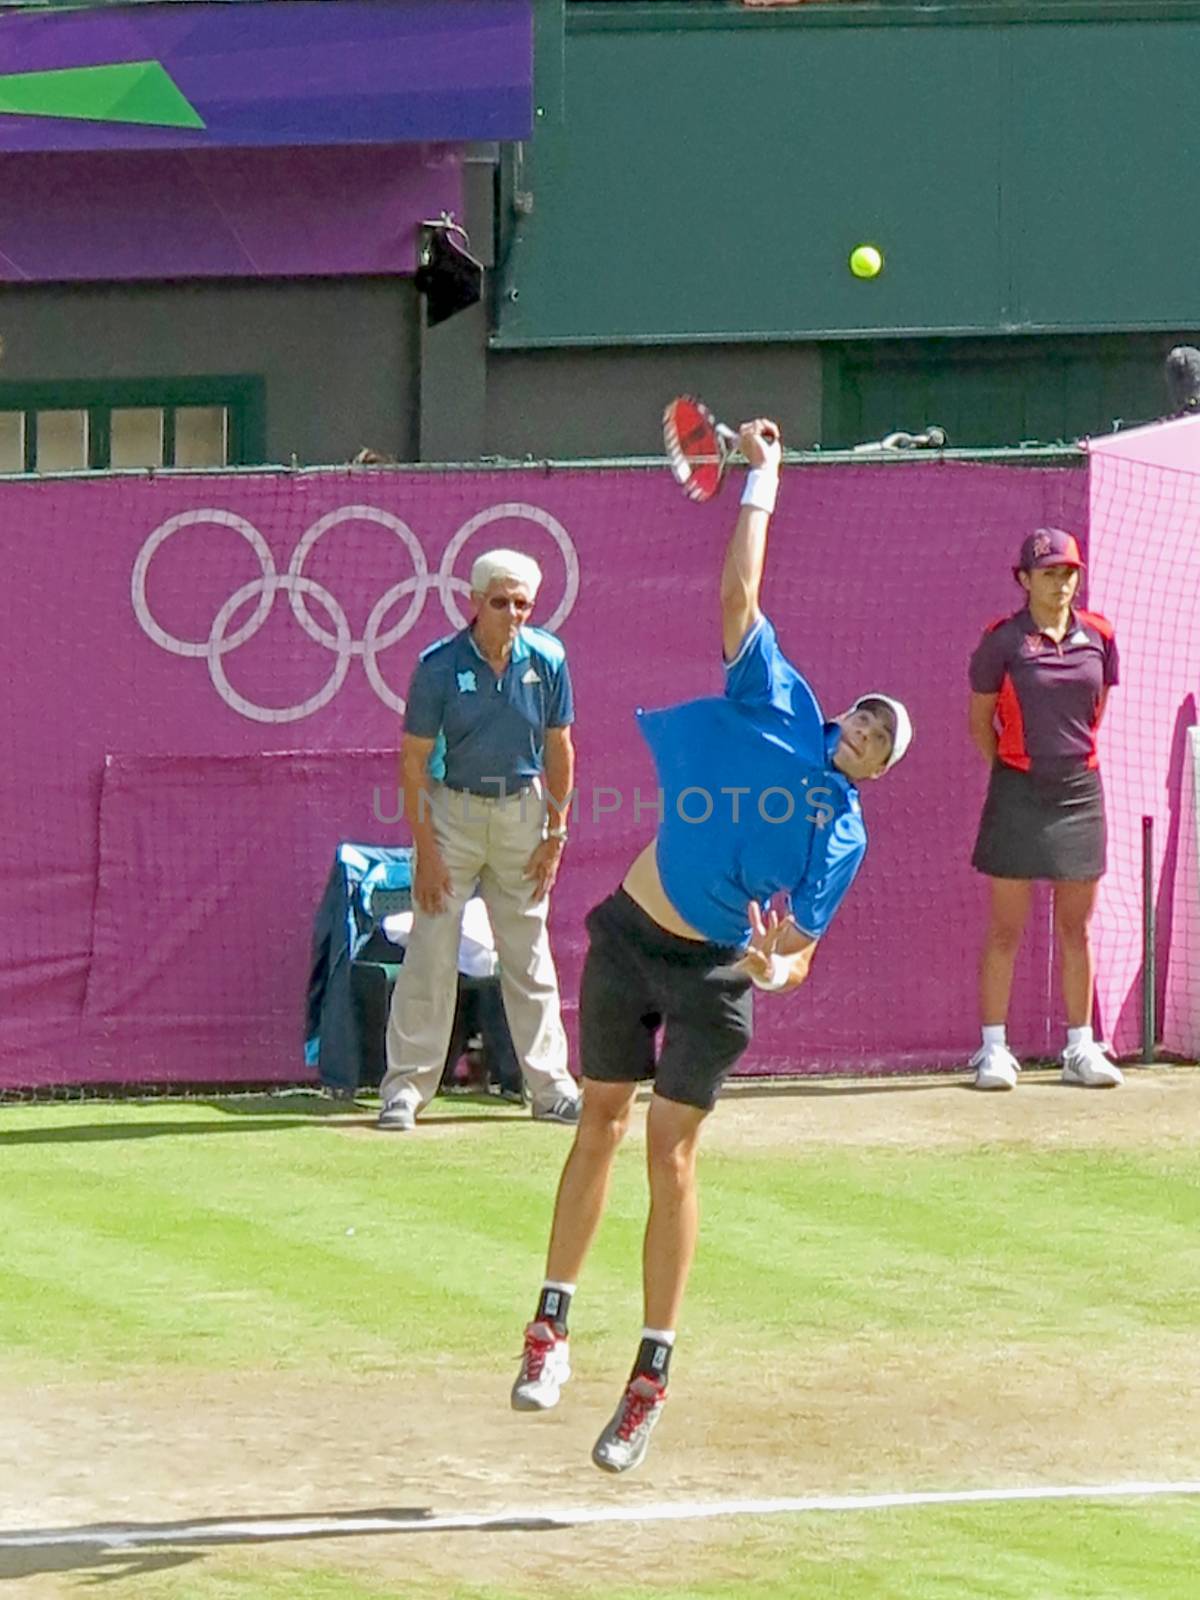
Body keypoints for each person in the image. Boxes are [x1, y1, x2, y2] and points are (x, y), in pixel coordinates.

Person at [510, 419, 913, 1473]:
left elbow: (800, 953)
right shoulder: (778, 698)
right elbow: (738, 598)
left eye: (883, 734)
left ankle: (648, 1376)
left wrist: (780, 963)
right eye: (866, 711)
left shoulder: (841, 828)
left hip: (713, 980)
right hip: (628, 936)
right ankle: (549, 1329)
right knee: (597, 1119)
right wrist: (763, 482)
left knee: (670, 1153)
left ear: (877, 768)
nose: (866, 723)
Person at [376, 548, 581, 1131]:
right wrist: (427, 851)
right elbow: (414, 762)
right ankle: (406, 1090)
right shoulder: (438, 666)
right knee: (430, 952)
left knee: (529, 952)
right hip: (454, 812)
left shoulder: (549, 658)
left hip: (524, 812)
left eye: (523, 604)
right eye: (500, 602)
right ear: (474, 602)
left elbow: (561, 747)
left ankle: (551, 1088)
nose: (512, 614)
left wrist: (556, 832)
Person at [967, 527, 1122, 1091]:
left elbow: (1096, 710)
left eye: (1069, 573)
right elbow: (980, 722)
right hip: (1017, 792)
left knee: (1076, 928)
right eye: (1050, 573)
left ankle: (1080, 1049)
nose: (1062, 583)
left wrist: (1065, 762)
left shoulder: (1100, 636)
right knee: (1006, 928)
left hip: (1081, 792)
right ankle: (992, 1051)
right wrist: (1015, 767)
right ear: (1024, 580)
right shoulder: (1001, 642)